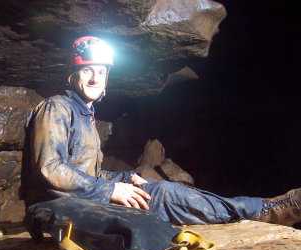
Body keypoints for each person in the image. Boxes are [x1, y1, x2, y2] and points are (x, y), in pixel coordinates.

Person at [20, 36, 301, 227]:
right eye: (87, 71)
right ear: (72, 73)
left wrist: (124, 177)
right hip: (58, 207)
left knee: (157, 188)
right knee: (164, 195)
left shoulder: (84, 114)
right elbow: (50, 170)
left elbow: (84, 174)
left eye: (102, 72)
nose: (95, 78)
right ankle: (263, 211)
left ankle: (256, 210)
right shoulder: (57, 108)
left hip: (78, 201)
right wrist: (111, 189)